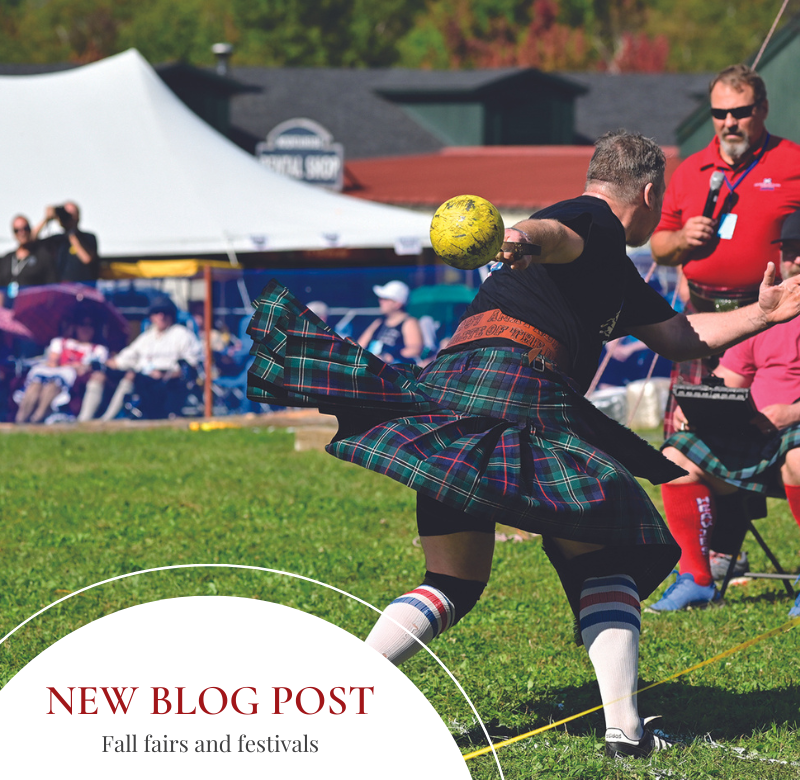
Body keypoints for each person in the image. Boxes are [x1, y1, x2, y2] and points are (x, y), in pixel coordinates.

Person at [245, 131, 800, 759]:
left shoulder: (616, 271)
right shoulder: (588, 219)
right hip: (518, 394)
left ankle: (341, 695)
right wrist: (520, 239)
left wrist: (763, 313)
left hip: (454, 390)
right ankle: (624, 733)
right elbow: (553, 233)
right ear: (649, 193)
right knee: (605, 558)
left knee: (454, 581)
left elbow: (679, 333)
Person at [651, 210, 800, 616]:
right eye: (790, 250)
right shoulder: (767, 312)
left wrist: (791, 413)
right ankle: (696, 580)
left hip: (792, 435)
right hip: (754, 435)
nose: (797, 259)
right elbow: (731, 376)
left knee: (798, 459)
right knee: (675, 456)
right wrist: (704, 407)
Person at [650, 64, 800, 434]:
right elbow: (657, 247)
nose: (729, 122)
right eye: (719, 113)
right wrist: (682, 239)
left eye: (740, 112)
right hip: (700, 321)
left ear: (762, 109)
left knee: (757, 434)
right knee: (687, 439)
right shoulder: (690, 170)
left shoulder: (792, 162)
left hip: (769, 317)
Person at [101, 295, 201, 420]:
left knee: (134, 377)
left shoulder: (182, 335)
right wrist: (110, 362)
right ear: (151, 316)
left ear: (171, 315)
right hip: (145, 380)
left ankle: (108, 418)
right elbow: (128, 356)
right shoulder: (147, 337)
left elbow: (191, 365)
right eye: (157, 313)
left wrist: (165, 375)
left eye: (165, 312)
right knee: (117, 375)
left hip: (171, 383)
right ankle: (106, 417)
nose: (161, 316)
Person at [14, 310, 108, 423]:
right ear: (75, 326)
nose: (85, 329)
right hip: (52, 374)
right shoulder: (60, 342)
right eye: (82, 324)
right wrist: (73, 366)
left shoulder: (98, 350)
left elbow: (89, 369)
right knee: (36, 385)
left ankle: (37, 419)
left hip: (70, 384)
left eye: (90, 325)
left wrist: (72, 367)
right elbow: (53, 361)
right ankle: (21, 419)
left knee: (52, 387)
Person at [357, 280, 423, 364]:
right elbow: (358, 346)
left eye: (385, 299)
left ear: (397, 304)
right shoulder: (378, 322)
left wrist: (388, 357)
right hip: (370, 367)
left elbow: (415, 350)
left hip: (393, 371)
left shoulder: (409, 323)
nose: (380, 301)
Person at [33, 202, 100, 283]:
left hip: (83, 289)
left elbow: (86, 258)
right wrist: (46, 219)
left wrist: (71, 232)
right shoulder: (57, 240)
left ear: (78, 216)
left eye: (71, 214)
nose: (67, 217)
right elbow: (31, 239)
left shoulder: (88, 237)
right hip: (62, 289)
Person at [0, 215, 56, 303]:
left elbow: (51, 288)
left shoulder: (42, 256)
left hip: (32, 309)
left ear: (30, 229)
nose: (22, 233)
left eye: (25, 228)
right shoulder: (6, 259)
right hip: (9, 311)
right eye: (17, 230)